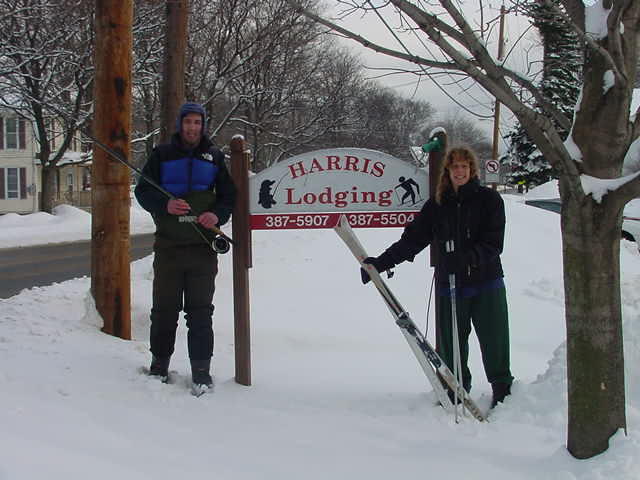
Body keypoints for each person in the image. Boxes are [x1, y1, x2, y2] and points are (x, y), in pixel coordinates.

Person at [361, 146, 513, 408]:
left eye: (464, 166)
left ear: (472, 170)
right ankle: (456, 386)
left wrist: (465, 259)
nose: (460, 171)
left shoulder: (489, 200)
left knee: (493, 337)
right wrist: (382, 262)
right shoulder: (438, 204)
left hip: (486, 282)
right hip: (449, 285)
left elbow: (493, 243)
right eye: (455, 167)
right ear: (448, 171)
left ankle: (501, 388)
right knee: (451, 341)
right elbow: (412, 240)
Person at [134, 102, 236, 392]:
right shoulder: (161, 155)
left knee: (201, 313)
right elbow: (143, 191)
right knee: (164, 310)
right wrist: (164, 203)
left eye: (197, 122)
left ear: (203, 125)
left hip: (202, 250)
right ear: (179, 124)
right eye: (187, 122)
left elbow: (228, 196)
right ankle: (159, 366)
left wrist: (217, 214)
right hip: (168, 248)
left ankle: (201, 371)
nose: (192, 127)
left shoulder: (215, 158)